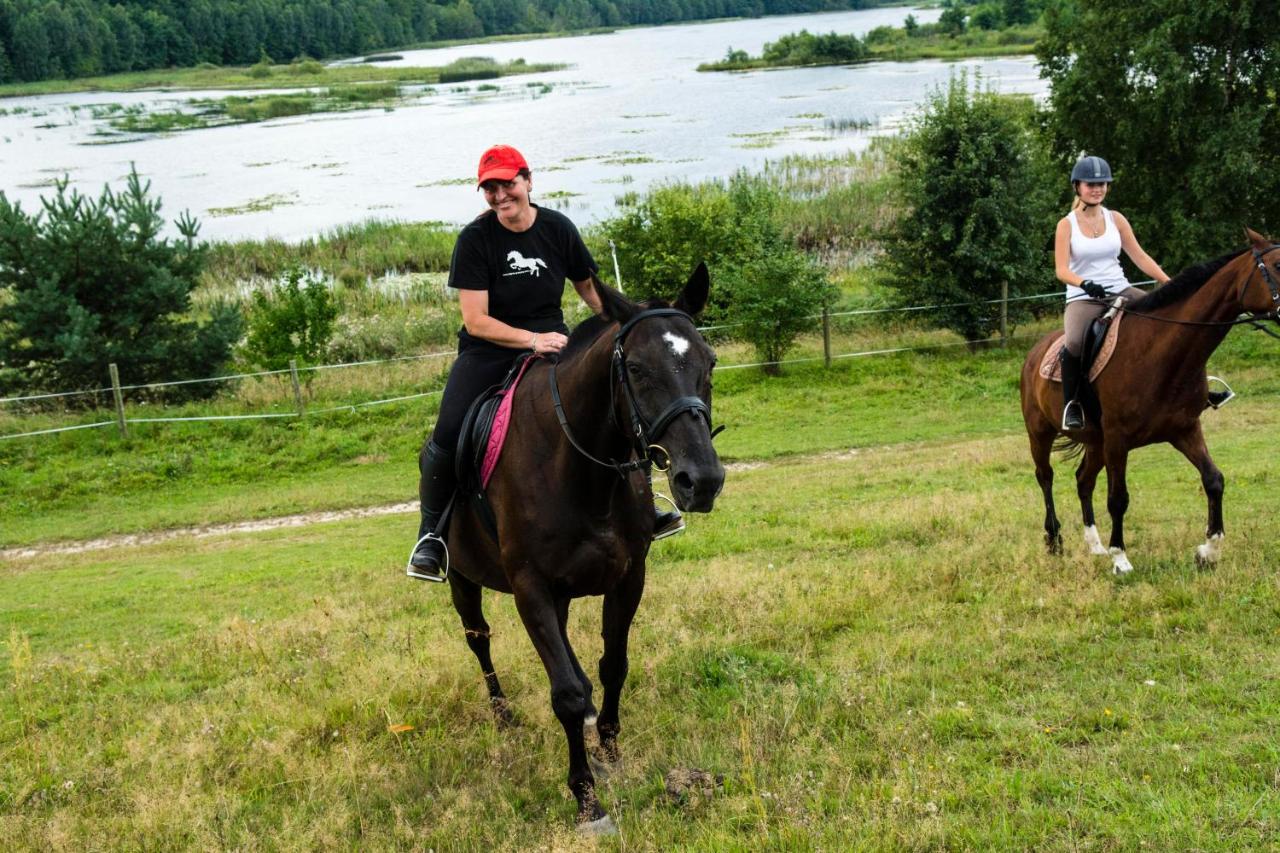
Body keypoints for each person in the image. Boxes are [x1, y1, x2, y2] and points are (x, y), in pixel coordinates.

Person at [407, 144, 683, 581]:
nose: (500, 196)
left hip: (556, 346)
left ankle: (646, 506)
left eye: (508, 184)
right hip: (488, 353)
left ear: (528, 181)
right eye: (490, 189)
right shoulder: (475, 241)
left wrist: (637, 325)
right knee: (447, 432)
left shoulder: (558, 228)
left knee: (619, 403)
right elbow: (475, 320)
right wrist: (530, 339)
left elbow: (593, 295)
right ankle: (432, 537)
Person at [1053, 155, 1170, 430]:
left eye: (1102, 183)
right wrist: (1083, 283)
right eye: (1090, 184)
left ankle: (1191, 389)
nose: (1097, 188)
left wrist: (1169, 282)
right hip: (1084, 298)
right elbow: (1061, 269)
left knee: (1169, 320)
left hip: (1121, 289)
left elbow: (1139, 257)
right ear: (1077, 187)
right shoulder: (1066, 225)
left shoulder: (1116, 219)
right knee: (1074, 343)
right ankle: (1073, 405)